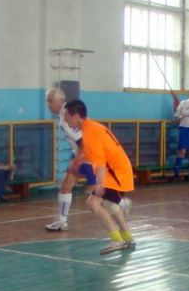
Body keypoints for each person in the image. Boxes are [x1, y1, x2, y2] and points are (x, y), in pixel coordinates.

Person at [63, 99, 136, 255]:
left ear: (75, 116)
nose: (65, 120)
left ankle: (117, 239)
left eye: (66, 116)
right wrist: (77, 161)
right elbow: (92, 153)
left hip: (116, 174)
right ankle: (128, 237)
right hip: (118, 171)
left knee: (93, 203)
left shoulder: (90, 132)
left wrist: (100, 184)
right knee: (109, 204)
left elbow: (101, 163)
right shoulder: (91, 127)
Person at [44, 87, 97, 232]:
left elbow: (84, 142)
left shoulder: (67, 117)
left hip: (89, 154)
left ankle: (121, 204)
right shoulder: (63, 115)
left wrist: (78, 159)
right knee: (66, 185)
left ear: (60, 101)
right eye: (47, 101)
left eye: (50, 101)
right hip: (79, 153)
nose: (48, 104)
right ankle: (62, 221)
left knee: (95, 191)